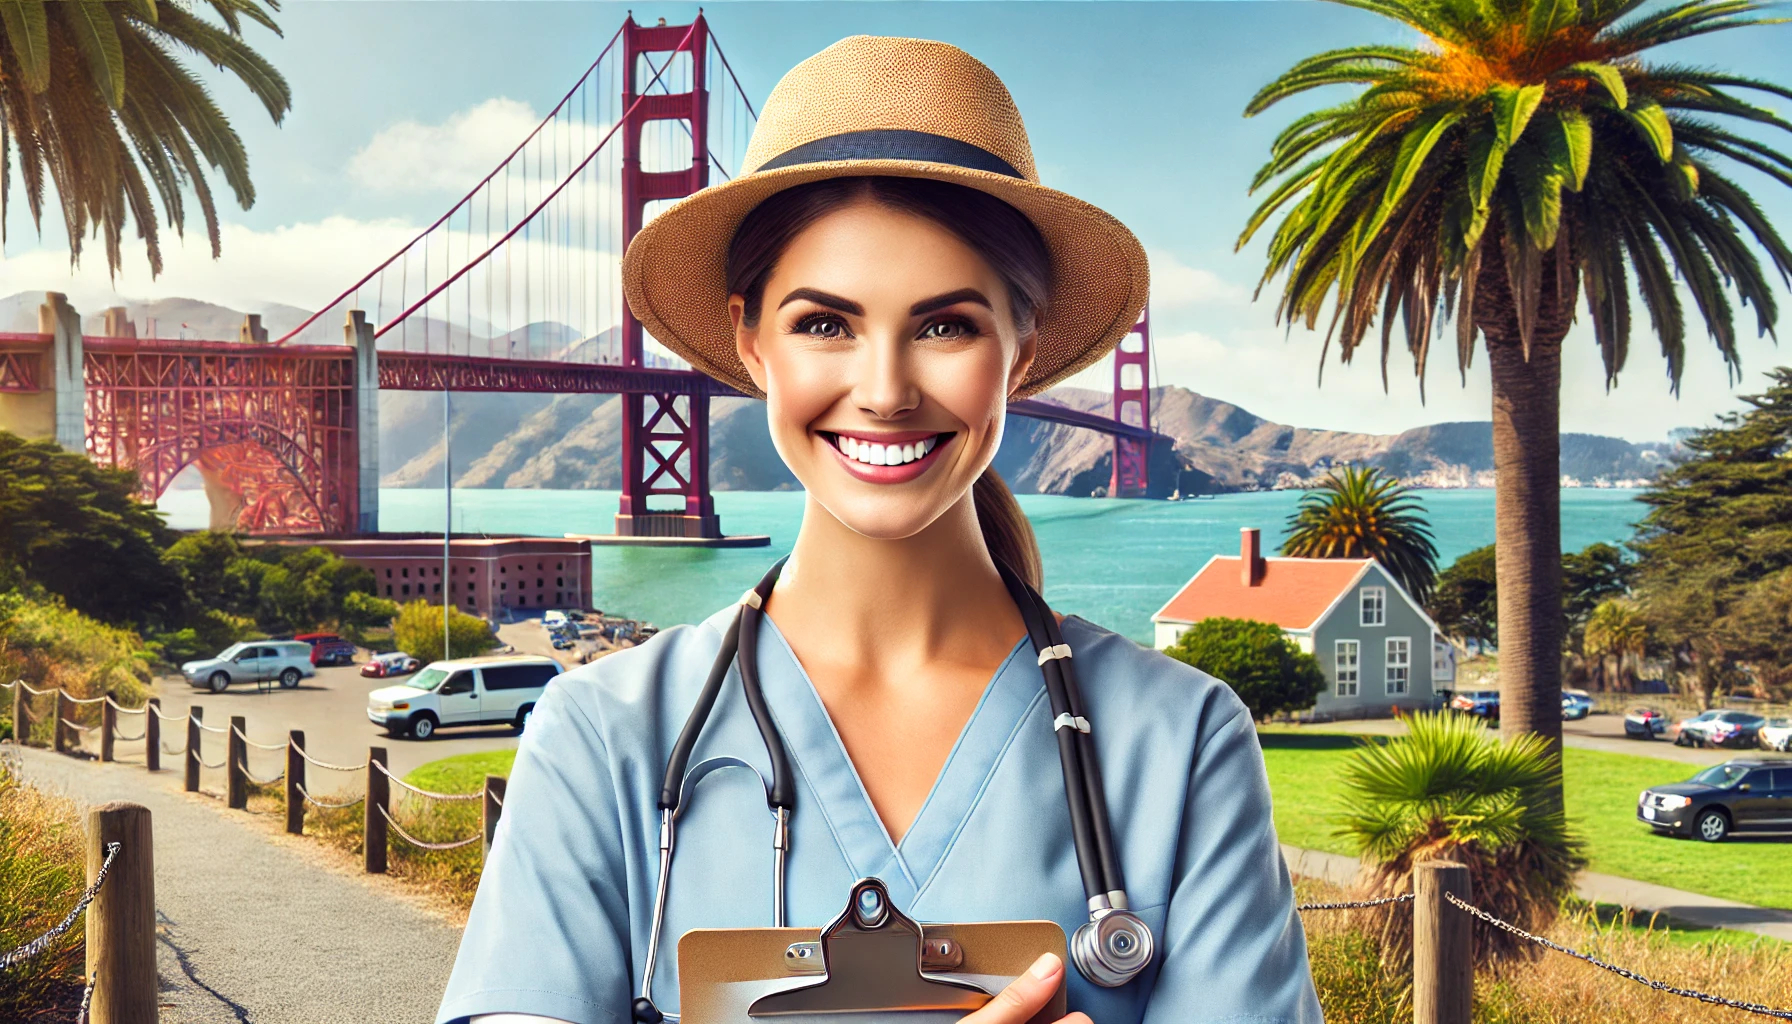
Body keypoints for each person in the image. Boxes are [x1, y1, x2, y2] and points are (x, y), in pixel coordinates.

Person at [437, 35, 1321, 1024]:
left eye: (946, 325)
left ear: (1019, 351)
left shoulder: (1184, 745)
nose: (887, 389)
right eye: (825, 323)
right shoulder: (599, 739)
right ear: (748, 337)